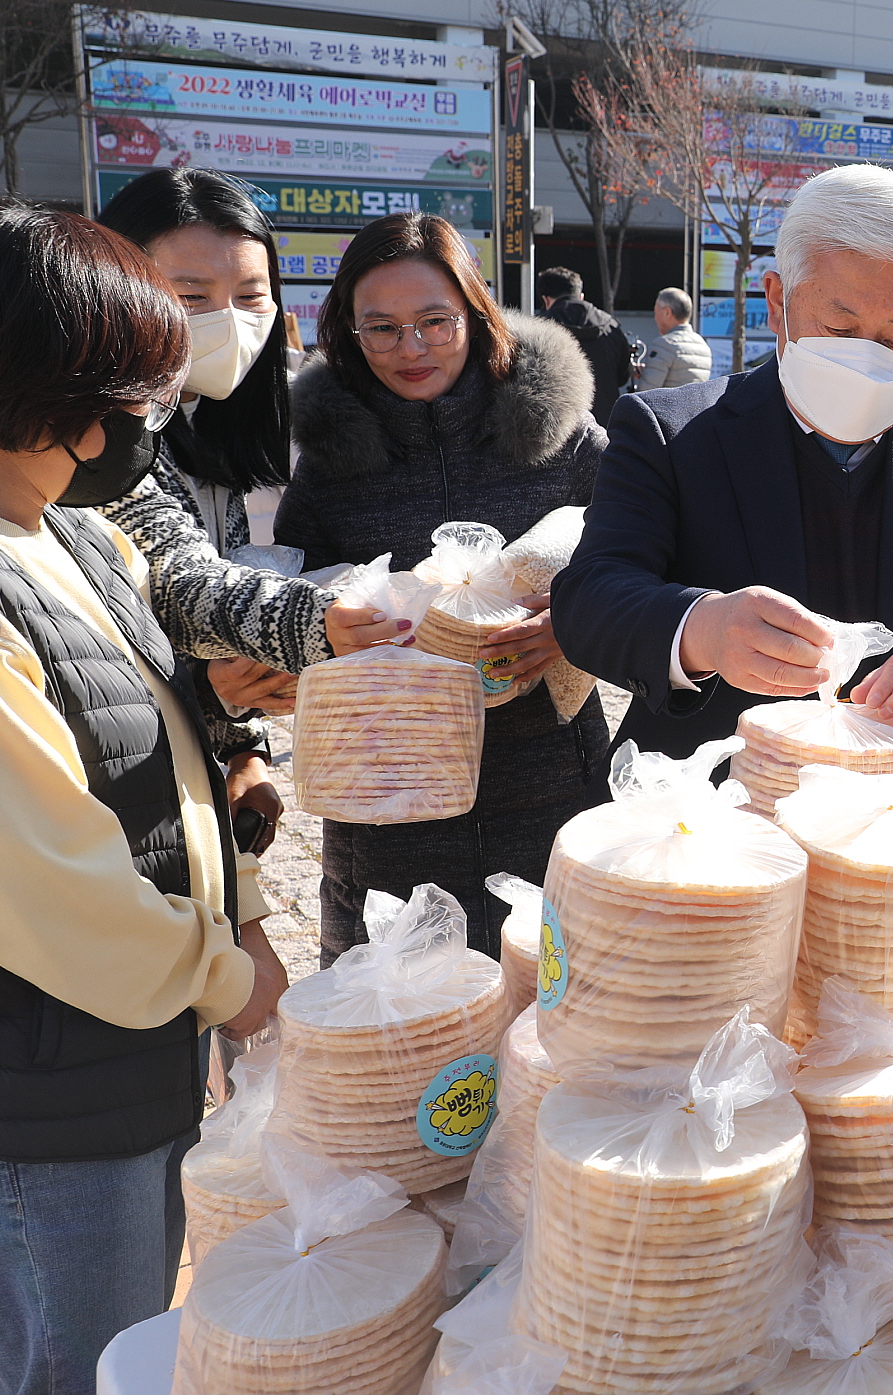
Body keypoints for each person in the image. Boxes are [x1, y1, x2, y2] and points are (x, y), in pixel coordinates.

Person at [0, 206, 286, 1393]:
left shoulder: (56, 528)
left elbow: (139, 723)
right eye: (141, 396)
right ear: (61, 394)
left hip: (95, 1064)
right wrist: (231, 976)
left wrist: (229, 751)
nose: (155, 423)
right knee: (72, 1369)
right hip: (18, 1108)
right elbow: (50, 892)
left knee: (114, 1347)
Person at [551, 163, 893, 781]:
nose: (866, 360)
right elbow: (589, 596)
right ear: (778, 302)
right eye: (839, 329)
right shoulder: (670, 432)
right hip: (709, 811)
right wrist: (701, 629)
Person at [274, 216, 609, 960]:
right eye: (381, 328)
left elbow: (640, 567)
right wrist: (333, 629)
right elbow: (288, 605)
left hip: (552, 777)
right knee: (406, 1037)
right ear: (348, 332)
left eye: (435, 321)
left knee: (554, 1022)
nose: (412, 348)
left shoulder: (564, 436)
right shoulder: (330, 465)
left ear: (477, 313)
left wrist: (573, 621)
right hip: (392, 800)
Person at [94, 168, 384, 858]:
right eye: (192, 296)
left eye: (251, 296)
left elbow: (201, 634)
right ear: (115, 282)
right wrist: (319, 623)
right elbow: (180, 583)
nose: (227, 320)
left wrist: (241, 745)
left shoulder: (213, 417)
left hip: (171, 779)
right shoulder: (96, 427)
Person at [535, 265, 637, 424]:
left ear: (546, 299)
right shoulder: (610, 326)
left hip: (557, 429)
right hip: (605, 427)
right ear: (580, 296)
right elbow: (623, 376)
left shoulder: (538, 329)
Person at [635, 286, 714, 392]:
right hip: (696, 407)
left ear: (667, 313)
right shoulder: (703, 345)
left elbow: (647, 392)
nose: (655, 318)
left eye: (656, 312)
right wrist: (649, 370)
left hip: (668, 407)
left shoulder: (663, 344)